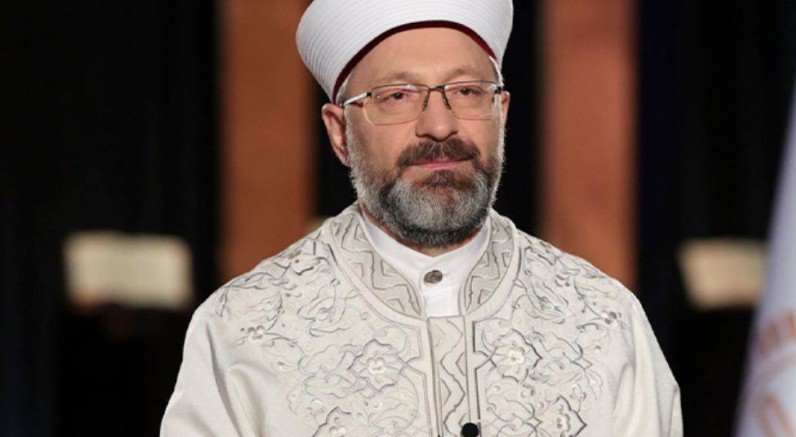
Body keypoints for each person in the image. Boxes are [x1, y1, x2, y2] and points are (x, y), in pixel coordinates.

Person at [160, 0, 681, 436]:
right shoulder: (241, 330)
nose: (439, 125)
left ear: (501, 114)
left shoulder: (603, 320)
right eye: (397, 97)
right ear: (340, 134)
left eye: (467, 91)